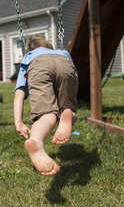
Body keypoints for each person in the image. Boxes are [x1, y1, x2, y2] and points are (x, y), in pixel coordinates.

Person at [13, 35, 78, 176]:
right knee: (69, 109)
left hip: (39, 64)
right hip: (66, 63)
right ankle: (67, 113)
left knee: (47, 116)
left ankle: (36, 141)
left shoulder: (29, 56)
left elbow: (19, 93)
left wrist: (19, 122)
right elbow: (75, 76)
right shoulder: (62, 52)